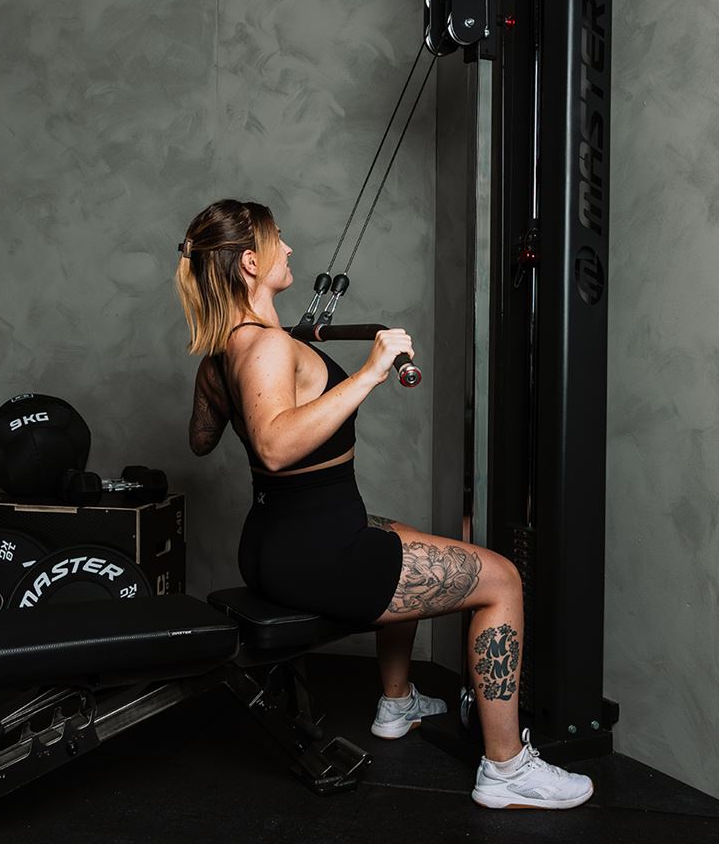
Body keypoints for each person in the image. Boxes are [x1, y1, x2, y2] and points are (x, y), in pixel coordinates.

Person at [174, 198, 594, 810]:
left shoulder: (226, 352)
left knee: (401, 537)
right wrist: (368, 374)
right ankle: (506, 768)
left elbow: (200, 439)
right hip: (315, 553)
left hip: (271, 541)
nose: (288, 248)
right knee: (502, 579)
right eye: (277, 239)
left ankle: (396, 704)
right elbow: (273, 448)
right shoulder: (265, 347)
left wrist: (219, 382)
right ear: (249, 263)